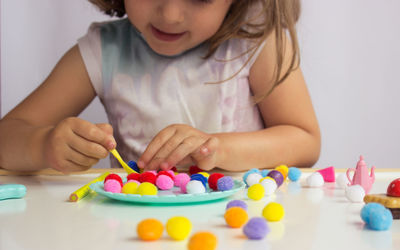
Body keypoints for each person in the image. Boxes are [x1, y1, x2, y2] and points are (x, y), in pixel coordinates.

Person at [0, 0, 320, 173]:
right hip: (139, 240)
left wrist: (219, 148)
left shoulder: (256, 42)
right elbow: (7, 136)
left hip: (244, 234)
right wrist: (43, 146)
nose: (170, 14)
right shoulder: (104, 50)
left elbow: (305, 141)